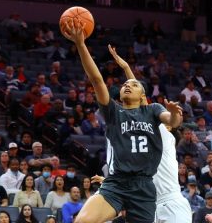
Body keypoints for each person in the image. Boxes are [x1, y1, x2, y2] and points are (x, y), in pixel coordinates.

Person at [64, 20, 182, 223]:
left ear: (143, 95)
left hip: (144, 187)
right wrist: (81, 44)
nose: (128, 85)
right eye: (125, 84)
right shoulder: (113, 112)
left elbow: (172, 120)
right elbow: (97, 79)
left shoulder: (152, 110)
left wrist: (174, 113)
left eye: (134, 84)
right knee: (82, 221)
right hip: (116, 182)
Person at [108, 44, 191, 223]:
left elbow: (142, 100)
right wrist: (126, 68)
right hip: (150, 203)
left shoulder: (164, 133)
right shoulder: (150, 132)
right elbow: (139, 96)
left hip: (171, 203)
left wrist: (126, 69)